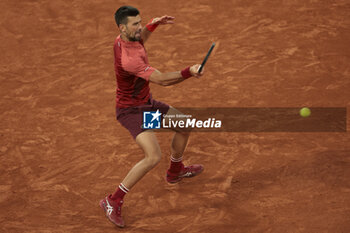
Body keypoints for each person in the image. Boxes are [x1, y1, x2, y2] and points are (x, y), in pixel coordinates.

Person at [99, 5, 204, 228]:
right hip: (132, 112)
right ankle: (113, 200)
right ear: (122, 27)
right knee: (152, 156)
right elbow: (164, 80)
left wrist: (151, 25)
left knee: (184, 125)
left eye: (140, 22)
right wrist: (189, 72)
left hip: (147, 104)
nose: (139, 27)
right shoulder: (129, 60)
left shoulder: (123, 38)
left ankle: (175, 171)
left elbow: (139, 38)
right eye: (135, 24)